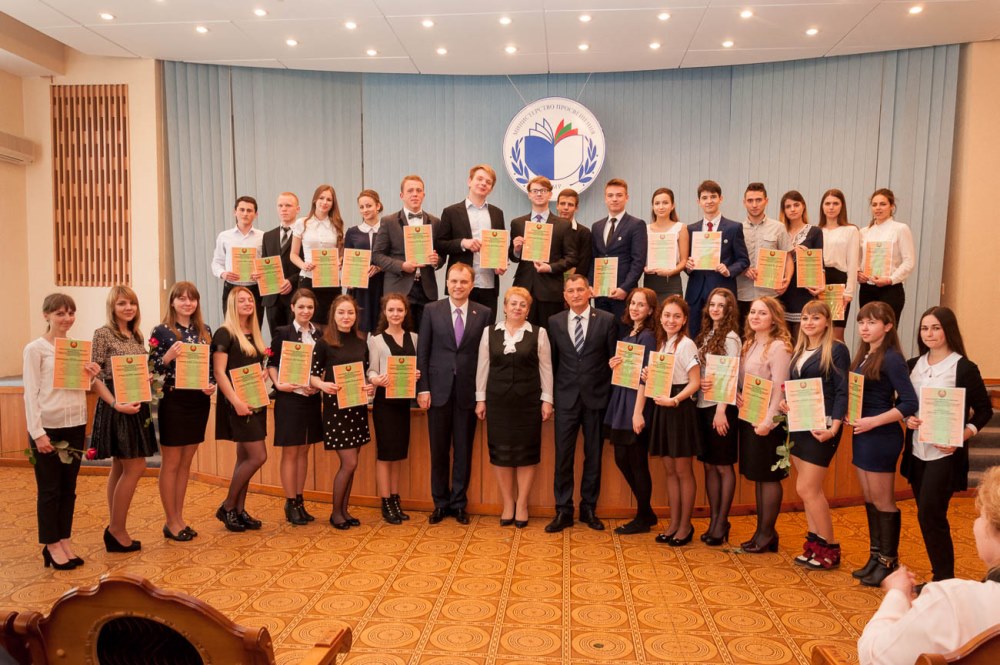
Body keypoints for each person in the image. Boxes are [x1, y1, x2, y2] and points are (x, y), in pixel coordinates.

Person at [856, 464, 1000, 665]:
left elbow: (873, 657)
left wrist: (896, 596)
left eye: (980, 516)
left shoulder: (952, 602)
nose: (976, 524)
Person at [903, 306, 993, 581]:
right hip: (917, 451)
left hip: (945, 454)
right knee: (927, 514)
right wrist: (907, 417)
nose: (929, 333)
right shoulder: (912, 365)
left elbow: (984, 410)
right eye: (924, 328)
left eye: (935, 328)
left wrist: (960, 437)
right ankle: (942, 577)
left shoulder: (963, 367)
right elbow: (904, 403)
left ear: (948, 330)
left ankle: (943, 579)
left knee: (931, 514)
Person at [23, 294, 100, 569]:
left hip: (75, 424)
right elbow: (30, 393)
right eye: (60, 314)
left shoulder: (75, 348)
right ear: (46, 315)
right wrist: (37, 433)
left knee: (69, 489)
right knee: (50, 490)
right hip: (48, 427)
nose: (67, 319)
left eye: (70, 313)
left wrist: (91, 374)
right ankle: (51, 544)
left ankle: (64, 539)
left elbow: (79, 387)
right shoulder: (35, 349)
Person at [848, 301, 919, 587]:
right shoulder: (865, 354)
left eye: (872, 322)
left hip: (881, 435)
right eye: (862, 322)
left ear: (888, 326)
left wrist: (873, 422)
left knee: (883, 500)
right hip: (863, 432)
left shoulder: (892, 358)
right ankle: (875, 557)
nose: (864, 328)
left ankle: (889, 561)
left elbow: (909, 402)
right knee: (869, 497)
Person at [417, 263, 492, 524]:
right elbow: (423, 351)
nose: (458, 286)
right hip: (437, 392)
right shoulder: (431, 310)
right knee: (438, 451)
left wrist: (482, 395)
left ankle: (459, 503)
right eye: (453, 281)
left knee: (463, 450)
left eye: (463, 281)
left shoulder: (484, 313)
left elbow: (485, 356)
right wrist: (423, 388)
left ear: (472, 285)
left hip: (467, 393)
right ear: (447, 283)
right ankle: (440, 503)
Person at [475, 287, 554, 527]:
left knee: (526, 454)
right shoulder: (489, 332)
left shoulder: (539, 333)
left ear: (528, 310)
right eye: (513, 303)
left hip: (528, 402)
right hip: (498, 402)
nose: (517, 308)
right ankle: (508, 503)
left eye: (523, 305)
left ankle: (522, 504)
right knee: (501, 454)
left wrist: (547, 399)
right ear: (505, 306)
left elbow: (546, 368)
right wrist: (480, 398)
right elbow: (483, 366)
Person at [545, 275, 618, 533]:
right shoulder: (554, 322)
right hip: (565, 399)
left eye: (580, 290)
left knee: (593, 456)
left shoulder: (607, 320)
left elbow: (613, 360)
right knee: (563, 456)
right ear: (564, 295)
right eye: (570, 291)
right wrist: (550, 398)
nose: (575, 294)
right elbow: (551, 363)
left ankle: (589, 508)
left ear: (589, 292)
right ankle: (563, 510)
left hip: (596, 398)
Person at [90, 285, 158, 553]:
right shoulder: (103, 334)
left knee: (120, 467)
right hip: (117, 404)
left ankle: (114, 528)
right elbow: (95, 377)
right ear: (112, 307)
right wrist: (115, 404)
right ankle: (117, 530)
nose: (128, 308)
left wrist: (145, 377)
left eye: (132, 303)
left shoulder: (136, 334)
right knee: (136, 466)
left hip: (136, 403)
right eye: (122, 303)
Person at [783, 300, 850, 569]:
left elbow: (842, 391)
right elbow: (794, 386)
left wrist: (834, 428)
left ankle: (830, 547)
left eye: (815, 318)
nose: (809, 323)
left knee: (806, 488)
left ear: (827, 322)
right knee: (810, 491)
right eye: (805, 318)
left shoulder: (836, 349)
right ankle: (814, 545)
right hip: (800, 424)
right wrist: (785, 402)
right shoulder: (799, 349)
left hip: (823, 426)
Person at [149, 281, 216, 541]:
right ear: (172, 302)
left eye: (192, 299)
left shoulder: (204, 330)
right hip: (173, 401)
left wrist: (210, 385)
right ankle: (170, 520)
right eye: (182, 299)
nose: (187, 303)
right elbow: (151, 369)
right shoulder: (162, 331)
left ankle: (179, 518)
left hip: (198, 402)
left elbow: (210, 368)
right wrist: (167, 358)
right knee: (171, 463)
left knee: (186, 464)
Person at [636, 296, 702, 544]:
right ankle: (674, 523)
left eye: (676, 316)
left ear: (684, 320)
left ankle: (685, 526)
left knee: (683, 470)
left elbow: (695, 382)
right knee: (670, 471)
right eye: (666, 315)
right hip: (663, 408)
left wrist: (675, 400)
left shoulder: (686, 344)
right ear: (660, 317)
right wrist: (648, 375)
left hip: (680, 409)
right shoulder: (662, 343)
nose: (670, 320)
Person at [311, 295, 374, 529]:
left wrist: (368, 386)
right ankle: (336, 513)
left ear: (356, 316)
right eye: (341, 312)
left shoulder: (361, 342)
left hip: (357, 408)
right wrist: (323, 385)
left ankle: (344, 511)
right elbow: (312, 376)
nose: (346, 317)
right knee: (349, 463)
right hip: (336, 410)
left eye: (350, 313)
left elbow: (364, 374)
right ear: (333, 315)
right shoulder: (324, 343)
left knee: (352, 465)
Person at [737, 297, 793, 554]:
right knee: (758, 476)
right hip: (750, 416)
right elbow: (744, 381)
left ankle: (768, 533)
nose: (755, 316)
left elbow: (781, 388)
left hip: (769, 422)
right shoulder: (749, 343)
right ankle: (761, 532)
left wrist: (768, 423)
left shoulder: (779, 347)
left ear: (774, 319)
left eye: (762, 313)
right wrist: (738, 395)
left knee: (769, 478)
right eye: (752, 312)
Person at [212, 286, 269, 532]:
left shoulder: (253, 333)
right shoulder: (224, 333)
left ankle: (238, 510)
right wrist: (236, 401)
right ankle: (227, 506)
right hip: (237, 404)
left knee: (245, 458)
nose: (247, 303)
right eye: (242, 300)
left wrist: (262, 374)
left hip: (255, 401)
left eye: (250, 300)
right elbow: (219, 373)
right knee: (258, 456)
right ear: (232, 305)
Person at [604, 288, 658, 535]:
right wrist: (614, 364)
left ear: (651, 310)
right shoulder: (629, 333)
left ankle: (643, 516)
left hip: (635, 403)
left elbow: (645, 377)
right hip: (621, 399)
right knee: (622, 458)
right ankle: (647, 512)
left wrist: (638, 412)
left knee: (637, 462)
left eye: (641, 304)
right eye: (633, 303)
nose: (635, 308)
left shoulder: (648, 336)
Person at [267, 288, 324, 526]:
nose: (305, 311)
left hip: (311, 399)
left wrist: (318, 385)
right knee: (291, 452)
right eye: (301, 307)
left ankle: (300, 500)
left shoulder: (319, 334)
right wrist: (279, 385)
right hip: (290, 399)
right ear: (292, 308)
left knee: (304, 451)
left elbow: (323, 365)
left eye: (309, 307)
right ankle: (290, 502)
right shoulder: (282, 332)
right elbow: (271, 364)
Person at [693, 288, 742, 546]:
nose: (715, 309)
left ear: (729, 309)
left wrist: (721, 410)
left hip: (721, 409)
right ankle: (714, 520)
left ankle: (722, 521)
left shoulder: (731, 338)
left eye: (720, 305)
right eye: (712, 304)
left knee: (723, 465)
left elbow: (730, 374)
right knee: (709, 465)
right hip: (704, 405)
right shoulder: (706, 334)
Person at [367, 293, 420, 525]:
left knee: (398, 454)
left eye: (399, 310)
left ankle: (396, 499)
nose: (395, 314)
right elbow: (371, 370)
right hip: (384, 403)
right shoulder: (376, 340)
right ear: (384, 312)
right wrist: (375, 379)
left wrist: (417, 374)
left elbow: (418, 366)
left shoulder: (415, 338)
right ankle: (386, 501)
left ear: (405, 312)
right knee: (385, 453)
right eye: (391, 310)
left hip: (404, 403)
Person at [372, 175, 443, 331]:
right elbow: (377, 255)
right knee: (400, 337)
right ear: (401, 195)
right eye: (410, 191)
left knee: (425, 337)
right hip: (398, 288)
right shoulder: (388, 221)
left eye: (418, 190)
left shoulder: (435, 222)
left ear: (424, 194)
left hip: (427, 290)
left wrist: (436, 260)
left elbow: (442, 255)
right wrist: (401, 265)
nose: (415, 194)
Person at [437, 164, 507, 321]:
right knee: (460, 329)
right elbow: (440, 244)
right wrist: (463, 243)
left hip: (488, 283)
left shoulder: (497, 213)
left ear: (491, 188)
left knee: (486, 330)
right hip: (461, 284)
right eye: (479, 179)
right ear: (469, 181)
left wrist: (500, 263)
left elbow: (500, 245)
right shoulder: (451, 212)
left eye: (488, 182)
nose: (483, 184)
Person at [509, 175, 578, 328]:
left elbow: (571, 258)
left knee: (549, 334)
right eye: (535, 191)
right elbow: (512, 257)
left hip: (550, 289)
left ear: (550, 194)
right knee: (522, 333)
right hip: (523, 287)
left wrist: (550, 267)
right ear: (529, 194)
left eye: (543, 190)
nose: (539, 194)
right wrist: (516, 250)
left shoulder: (563, 225)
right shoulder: (518, 223)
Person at [685, 180, 750, 338]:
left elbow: (743, 260)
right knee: (693, 334)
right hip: (696, 292)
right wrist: (688, 266)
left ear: (721, 199)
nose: (709, 201)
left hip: (722, 289)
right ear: (698, 201)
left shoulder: (734, 228)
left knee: (722, 336)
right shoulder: (691, 229)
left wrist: (729, 270)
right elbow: (685, 260)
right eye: (704, 198)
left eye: (713, 197)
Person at [590, 179, 648, 319]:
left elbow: (638, 261)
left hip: (622, 293)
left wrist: (625, 288)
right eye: (610, 195)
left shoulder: (636, 225)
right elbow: (593, 258)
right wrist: (591, 284)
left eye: (619, 195)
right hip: (600, 292)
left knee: (623, 329)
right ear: (605, 198)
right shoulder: (597, 226)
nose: (614, 199)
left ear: (627, 197)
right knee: (602, 329)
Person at [736, 183, 791, 327]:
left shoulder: (778, 227)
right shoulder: (737, 229)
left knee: (771, 335)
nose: (754, 205)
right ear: (744, 202)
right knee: (744, 336)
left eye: (758, 200)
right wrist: (743, 269)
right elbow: (731, 259)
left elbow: (787, 257)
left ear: (766, 201)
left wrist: (787, 280)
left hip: (770, 295)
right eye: (750, 200)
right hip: (743, 294)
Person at [289, 184, 345, 325]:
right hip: (308, 279)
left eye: (329, 199)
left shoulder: (337, 224)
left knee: (330, 322)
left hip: (331, 281)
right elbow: (293, 255)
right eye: (321, 198)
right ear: (315, 200)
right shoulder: (302, 223)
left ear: (333, 203)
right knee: (307, 321)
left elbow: (340, 254)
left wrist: (340, 261)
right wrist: (303, 265)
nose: (325, 202)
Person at [858, 189, 915, 324]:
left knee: (888, 330)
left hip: (891, 289)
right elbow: (858, 260)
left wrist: (890, 279)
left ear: (892, 207)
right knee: (868, 329)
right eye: (874, 204)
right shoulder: (864, 232)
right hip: (867, 289)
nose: (878, 208)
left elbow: (909, 261)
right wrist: (858, 273)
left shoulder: (900, 229)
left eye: (883, 204)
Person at [811, 189, 860, 342]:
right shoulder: (815, 230)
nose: (831, 207)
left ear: (842, 206)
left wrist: (849, 292)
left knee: (836, 334)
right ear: (822, 206)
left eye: (835, 203)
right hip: (819, 281)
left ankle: (839, 359)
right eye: (827, 203)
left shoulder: (851, 230)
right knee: (818, 331)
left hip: (838, 282)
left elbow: (853, 263)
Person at [211, 195, 265, 325]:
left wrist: (261, 273)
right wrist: (223, 273)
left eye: (249, 210)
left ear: (256, 214)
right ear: (235, 212)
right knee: (231, 327)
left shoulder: (263, 236)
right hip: (232, 288)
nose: (245, 213)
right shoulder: (224, 236)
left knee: (254, 327)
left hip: (254, 289)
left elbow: (267, 263)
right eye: (242, 210)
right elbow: (216, 262)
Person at [778, 190, 824, 338]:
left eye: (796, 205)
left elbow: (820, 262)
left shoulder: (815, 232)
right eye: (788, 206)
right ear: (784, 210)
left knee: (802, 338)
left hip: (804, 290)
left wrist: (821, 285)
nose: (792, 209)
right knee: (783, 339)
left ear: (803, 206)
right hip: (782, 289)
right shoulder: (778, 231)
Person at [344, 189, 385, 334]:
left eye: (369, 206)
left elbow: (394, 256)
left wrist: (380, 267)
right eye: (361, 207)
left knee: (380, 330)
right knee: (359, 329)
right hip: (359, 288)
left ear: (378, 206)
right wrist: (347, 278)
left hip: (382, 284)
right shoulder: (352, 232)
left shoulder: (387, 229)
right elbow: (347, 260)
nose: (365, 210)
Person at [260, 192, 301, 336]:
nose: (284, 209)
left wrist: (291, 281)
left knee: (295, 340)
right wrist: (259, 273)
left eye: (288, 205)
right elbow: (265, 263)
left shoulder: (304, 234)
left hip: (295, 296)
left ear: (298, 209)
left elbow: (308, 265)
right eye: (280, 205)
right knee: (276, 340)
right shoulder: (268, 236)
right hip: (273, 298)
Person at [643, 187, 689, 301]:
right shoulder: (645, 229)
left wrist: (671, 271)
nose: (661, 207)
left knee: (672, 311)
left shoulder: (680, 228)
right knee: (651, 312)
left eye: (665, 203)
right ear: (653, 206)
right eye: (657, 203)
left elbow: (684, 261)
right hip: (650, 281)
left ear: (672, 206)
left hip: (672, 282)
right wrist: (644, 267)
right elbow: (640, 257)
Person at [556, 188, 593, 282]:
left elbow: (584, 262)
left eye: (570, 204)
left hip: (576, 283)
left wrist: (573, 281)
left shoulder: (584, 232)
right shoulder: (549, 229)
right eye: (562, 203)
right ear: (557, 206)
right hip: (551, 281)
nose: (566, 208)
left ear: (576, 208)